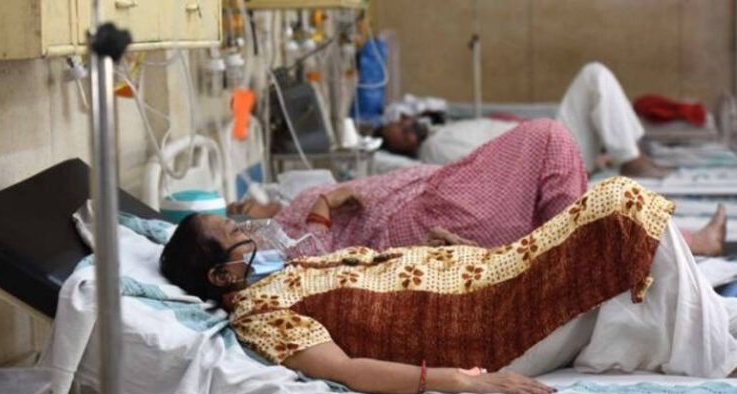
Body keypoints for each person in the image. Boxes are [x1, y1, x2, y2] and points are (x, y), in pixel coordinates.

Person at [160, 176, 737, 394]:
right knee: (619, 210)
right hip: (478, 324)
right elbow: (345, 369)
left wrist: (443, 255)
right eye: (233, 234)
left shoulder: (282, 274)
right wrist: (462, 380)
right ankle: (719, 356)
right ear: (220, 276)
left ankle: (713, 332)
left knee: (620, 219)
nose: (246, 231)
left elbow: (356, 269)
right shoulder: (260, 314)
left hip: (485, 276)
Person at [232, 119, 726, 256]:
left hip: (431, 193)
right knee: (547, 138)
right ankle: (575, 256)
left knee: (579, 205)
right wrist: (326, 200)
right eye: (236, 214)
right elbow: (312, 261)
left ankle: (682, 242)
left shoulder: (284, 203)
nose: (244, 205)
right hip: (420, 220)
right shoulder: (275, 237)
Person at [379, 62, 672, 178]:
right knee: (593, 76)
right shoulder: (436, 148)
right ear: (408, 150)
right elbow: (492, 165)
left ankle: (629, 153)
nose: (409, 127)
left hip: (551, 142)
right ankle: (629, 157)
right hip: (549, 155)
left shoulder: (441, 130)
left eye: (403, 123)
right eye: (404, 136)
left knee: (594, 77)